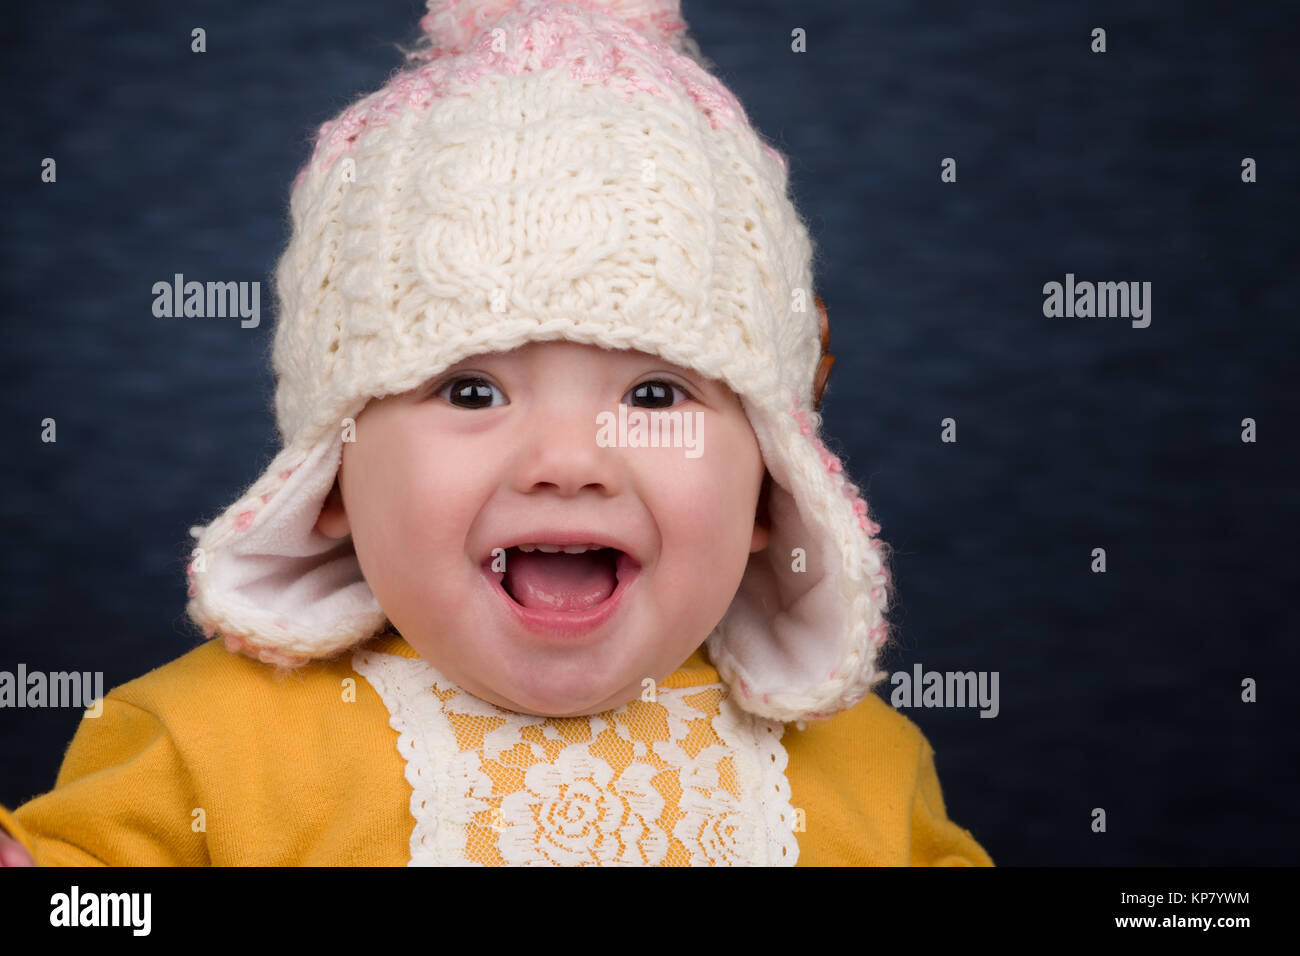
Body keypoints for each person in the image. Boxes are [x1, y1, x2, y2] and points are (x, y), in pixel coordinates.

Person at [0, 0, 993, 866]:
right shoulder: (199, 743)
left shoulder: (869, 767)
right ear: (331, 481)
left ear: (773, 488)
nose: (567, 462)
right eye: (470, 392)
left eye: (654, 396)